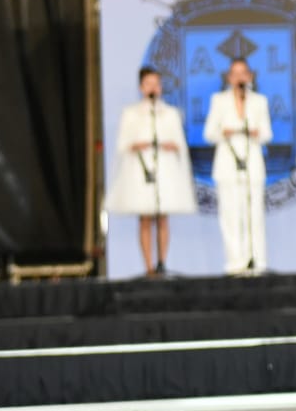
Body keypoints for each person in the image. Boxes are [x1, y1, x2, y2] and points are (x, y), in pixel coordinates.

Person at [104, 67, 197, 277]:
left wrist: (170, 145)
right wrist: (138, 144)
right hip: (141, 170)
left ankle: (162, 262)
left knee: (163, 217)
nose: (153, 88)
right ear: (141, 87)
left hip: (164, 170)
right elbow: (122, 144)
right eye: (148, 84)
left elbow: (180, 144)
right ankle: (147, 266)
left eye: (156, 83)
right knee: (145, 218)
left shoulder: (170, 113)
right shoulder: (131, 113)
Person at [203, 58, 272, 275]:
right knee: (230, 215)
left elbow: (268, 134)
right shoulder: (219, 100)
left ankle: (257, 260)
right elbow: (209, 134)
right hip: (227, 164)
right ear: (229, 77)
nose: (240, 77)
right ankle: (235, 261)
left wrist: (255, 132)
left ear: (250, 76)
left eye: (244, 73)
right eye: (235, 73)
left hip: (252, 163)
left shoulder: (259, 101)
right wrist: (225, 131)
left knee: (254, 215)